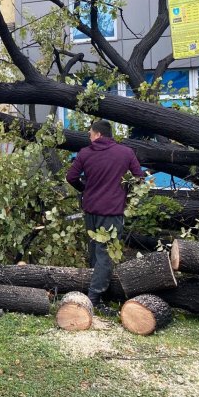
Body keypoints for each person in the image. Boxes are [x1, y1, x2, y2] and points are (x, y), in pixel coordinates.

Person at [66, 120, 144, 316]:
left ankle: (96, 295)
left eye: (90, 134)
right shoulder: (125, 153)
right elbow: (139, 178)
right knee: (105, 256)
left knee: (95, 252)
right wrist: (125, 192)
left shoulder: (85, 153)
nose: (89, 137)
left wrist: (85, 190)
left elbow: (71, 177)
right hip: (112, 211)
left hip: (91, 209)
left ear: (98, 134)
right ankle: (94, 299)